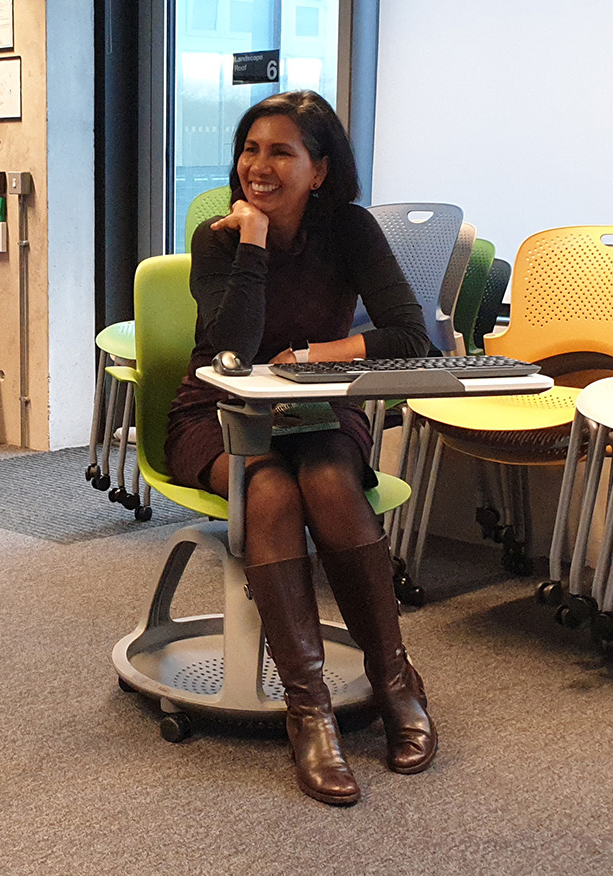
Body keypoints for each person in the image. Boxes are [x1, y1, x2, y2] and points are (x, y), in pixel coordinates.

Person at [164, 90, 437, 806]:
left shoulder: (349, 230)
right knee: (271, 488)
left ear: (319, 169)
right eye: (251, 149)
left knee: (328, 481)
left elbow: (409, 335)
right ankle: (309, 710)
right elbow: (231, 349)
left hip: (319, 409)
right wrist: (252, 242)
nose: (259, 165)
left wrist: (315, 354)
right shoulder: (219, 239)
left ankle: (394, 679)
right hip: (217, 416)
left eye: (281, 151)